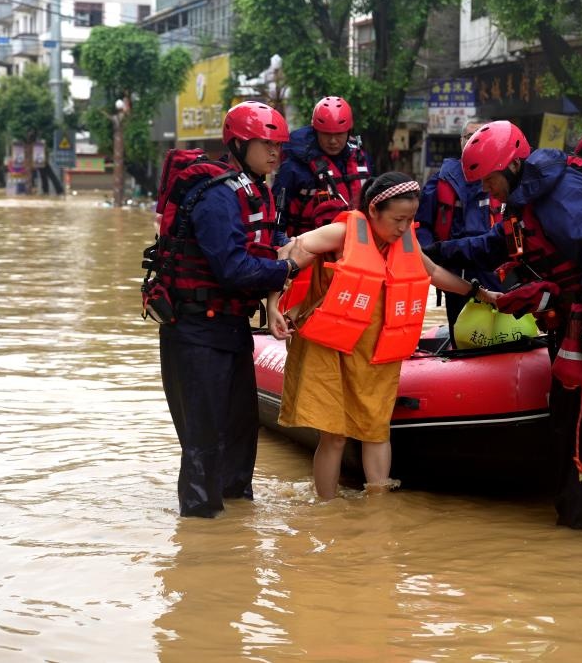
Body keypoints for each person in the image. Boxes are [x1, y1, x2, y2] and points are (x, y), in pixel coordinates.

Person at [425, 121, 582, 547]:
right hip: (577, 317)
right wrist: (434, 251)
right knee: (569, 419)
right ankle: (580, 516)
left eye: (490, 179)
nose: (489, 190)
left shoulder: (563, 192)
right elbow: (495, 246)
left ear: (514, 164)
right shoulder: (523, 203)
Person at [266, 172, 500, 500]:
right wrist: (274, 305)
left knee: (377, 431)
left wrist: (480, 293)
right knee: (333, 436)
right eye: (398, 219)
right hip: (328, 347)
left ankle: (378, 510)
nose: (405, 228)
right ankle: (326, 511)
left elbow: (432, 273)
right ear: (374, 211)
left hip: (374, 351)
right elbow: (293, 250)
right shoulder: (343, 233)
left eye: (410, 219)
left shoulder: (404, 243)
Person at [153, 101, 314, 518]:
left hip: (230, 328)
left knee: (242, 433)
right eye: (266, 144)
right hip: (194, 332)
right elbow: (232, 268)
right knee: (204, 440)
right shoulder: (218, 197)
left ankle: (237, 530)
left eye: (279, 144)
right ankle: (201, 532)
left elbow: (258, 256)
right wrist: (286, 268)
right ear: (240, 144)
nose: (276, 153)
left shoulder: (256, 189)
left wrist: (275, 298)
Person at [415, 118, 505, 342]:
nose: (474, 141)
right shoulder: (441, 180)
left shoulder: (502, 179)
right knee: (461, 330)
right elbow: (423, 224)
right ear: (461, 141)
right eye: (469, 137)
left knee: (502, 328)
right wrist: (428, 257)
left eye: (481, 136)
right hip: (455, 267)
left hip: (494, 267)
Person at [272, 95, 372, 236]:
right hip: (309, 250)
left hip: (356, 245)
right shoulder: (293, 167)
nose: (332, 141)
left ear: (348, 131)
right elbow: (276, 216)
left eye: (339, 134)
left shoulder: (361, 159)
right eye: (326, 134)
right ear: (315, 131)